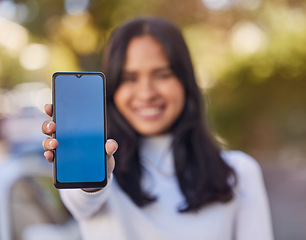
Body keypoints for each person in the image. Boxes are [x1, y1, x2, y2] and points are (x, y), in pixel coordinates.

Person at [42, 17, 274, 240]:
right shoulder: (103, 172)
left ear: (185, 81)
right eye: (129, 78)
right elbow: (82, 201)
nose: (146, 93)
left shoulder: (240, 172)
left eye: (162, 75)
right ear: (112, 88)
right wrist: (90, 177)